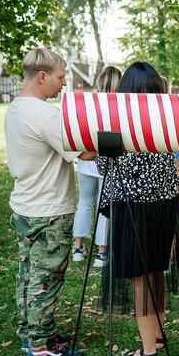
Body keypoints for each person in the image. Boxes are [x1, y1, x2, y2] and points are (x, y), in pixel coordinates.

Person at [97, 62, 179, 356]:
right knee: (156, 270)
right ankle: (159, 336)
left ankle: (148, 351)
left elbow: (104, 166)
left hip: (134, 206)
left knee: (140, 276)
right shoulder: (164, 120)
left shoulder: (118, 121)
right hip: (165, 204)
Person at [6, 48, 96, 356]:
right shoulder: (45, 115)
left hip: (25, 204)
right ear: (42, 76)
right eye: (60, 77)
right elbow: (83, 152)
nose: (63, 84)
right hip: (50, 209)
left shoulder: (16, 107)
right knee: (46, 277)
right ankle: (40, 346)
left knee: (28, 272)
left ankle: (31, 333)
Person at [71, 66, 121, 267]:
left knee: (84, 202)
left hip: (86, 159)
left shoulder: (88, 102)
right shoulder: (119, 104)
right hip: (106, 160)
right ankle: (101, 252)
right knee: (104, 207)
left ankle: (78, 247)